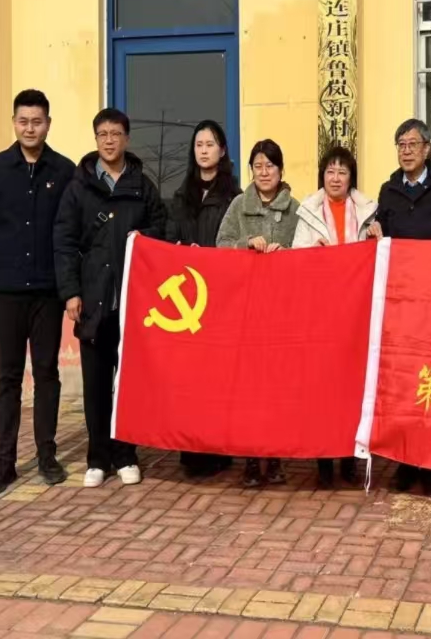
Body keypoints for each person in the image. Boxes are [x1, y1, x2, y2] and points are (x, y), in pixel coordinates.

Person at [0, 90, 76, 497]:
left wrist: (71, 288)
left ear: (48, 124)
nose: (30, 128)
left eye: (37, 121)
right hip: (9, 290)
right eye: (23, 121)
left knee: (47, 374)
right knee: (8, 377)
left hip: (49, 291)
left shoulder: (64, 170)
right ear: (14, 123)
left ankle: (47, 456)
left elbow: (71, 233)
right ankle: (5, 462)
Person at [54, 108, 166, 489]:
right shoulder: (79, 188)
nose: (109, 140)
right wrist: (71, 293)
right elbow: (64, 242)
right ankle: (97, 458)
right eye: (102, 134)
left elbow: (162, 227)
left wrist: (144, 237)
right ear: (96, 139)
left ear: (126, 139)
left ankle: (126, 455)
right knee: (97, 384)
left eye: (115, 133)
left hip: (133, 303)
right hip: (93, 300)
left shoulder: (142, 185)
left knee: (129, 384)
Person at [368, 118, 431, 497]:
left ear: (427, 148)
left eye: (412, 144)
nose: (406, 151)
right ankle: (405, 461)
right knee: (403, 382)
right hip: (400, 303)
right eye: (401, 145)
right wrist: (374, 230)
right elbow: (380, 232)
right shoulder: (388, 190)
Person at [217, 138, 300, 487]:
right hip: (246, 311)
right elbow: (221, 245)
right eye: (258, 166)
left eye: (271, 166)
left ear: (281, 170)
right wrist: (245, 245)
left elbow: (308, 253)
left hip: (281, 312)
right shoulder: (239, 205)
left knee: (277, 386)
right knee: (249, 387)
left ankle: (275, 457)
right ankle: (251, 459)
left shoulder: (296, 209)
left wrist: (287, 253)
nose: (264, 172)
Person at [293, 145, 377, 488]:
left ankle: (349, 457)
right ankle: (323, 460)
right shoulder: (307, 212)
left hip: (355, 314)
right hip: (320, 314)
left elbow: (376, 257)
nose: (336, 178)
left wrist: (375, 239)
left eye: (343, 171)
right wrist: (314, 254)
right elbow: (296, 258)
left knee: (351, 387)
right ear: (322, 176)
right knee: (322, 387)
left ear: (351, 177)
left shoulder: (368, 211)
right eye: (330, 171)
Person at [166, 120, 240, 479]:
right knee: (189, 377)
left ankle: (218, 448)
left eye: (210, 144)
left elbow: (237, 240)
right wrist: (182, 250)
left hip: (222, 296)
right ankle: (190, 449)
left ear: (222, 150)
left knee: (218, 376)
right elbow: (168, 238)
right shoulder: (181, 196)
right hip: (188, 296)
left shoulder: (234, 196)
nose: (204, 150)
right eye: (199, 144)